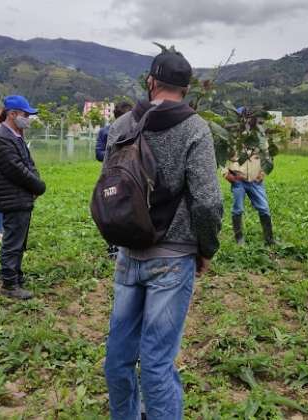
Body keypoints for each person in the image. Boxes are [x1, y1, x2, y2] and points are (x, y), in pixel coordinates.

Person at [103, 47, 223, 419]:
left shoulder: (122, 126)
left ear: (150, 82)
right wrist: (205, 248)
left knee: (119, 357)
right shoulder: (195, 128)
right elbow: (207, 202)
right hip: (173, 258)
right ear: (186, 88)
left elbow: (110, 189)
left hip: (129, 254)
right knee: (157, 362)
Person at [0, 96, 46, 300]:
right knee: (12, 242)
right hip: (12, 196)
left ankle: (16, 275)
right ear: (12, 114)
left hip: (20, 195)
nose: (28, 119)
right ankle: (9, 284)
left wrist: (35, 182)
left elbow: (29, 164)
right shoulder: (2, 138)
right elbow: (17, 169)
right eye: (25, 115)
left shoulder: (15, 136)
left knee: (19, 240)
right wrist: (38, 185)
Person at [222, 108, 276, 246]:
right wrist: (227, 174)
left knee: (264, 208)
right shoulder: (232, 137)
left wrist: (262, 173)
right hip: (238, 180)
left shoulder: (260, 137)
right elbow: (222, 157)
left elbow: (267, 156)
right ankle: (239, 239)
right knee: (238, 209)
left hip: (255, 181)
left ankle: (269, 239)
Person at [95, 101, 133, 258]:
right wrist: (116, 155)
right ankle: (113, 247)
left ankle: (127, 245)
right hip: (112, 177)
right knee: (112, 210)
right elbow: (98, 153)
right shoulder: (106, 132)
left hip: (130, 177)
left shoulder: (135, 131)